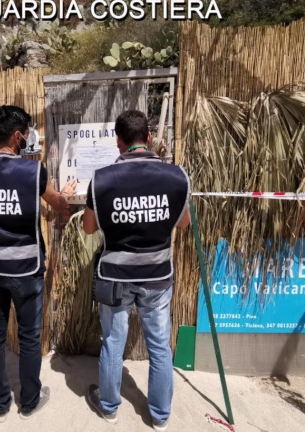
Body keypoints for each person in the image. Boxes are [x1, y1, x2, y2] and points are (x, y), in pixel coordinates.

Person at [81, 110, 190, 432]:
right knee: (159, 345)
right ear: (149, 138)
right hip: (157, 275)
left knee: (114, 342)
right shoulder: (176, 176)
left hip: (115, 277)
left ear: (118, 141)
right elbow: (183, 223)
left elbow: (88, 228)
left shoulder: (101, 179)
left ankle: (110, 408)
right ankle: (159, 416)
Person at [0, 105, 77, 423]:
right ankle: (30, 401)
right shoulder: (33, 173)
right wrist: (67, 195)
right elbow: (58, 203)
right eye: (27, 135)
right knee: (30, 337)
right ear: (18, 136)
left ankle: (0, 404)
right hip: (27, 270)